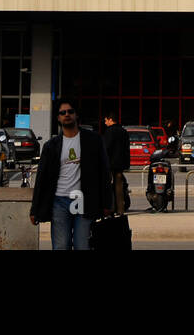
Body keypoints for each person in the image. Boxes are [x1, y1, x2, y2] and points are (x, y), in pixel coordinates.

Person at [30, 98, 114, 250]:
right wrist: (35, 209)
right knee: (61, 246)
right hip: (59, 202)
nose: (67, 115)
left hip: (84, 201)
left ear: (76, 115)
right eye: (62, 112)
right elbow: (41, 179)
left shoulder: (93, 140)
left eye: (70, 111)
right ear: (58, 118)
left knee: (83, 246)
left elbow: (104, 172)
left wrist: (107, 203)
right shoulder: (51, 146)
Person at [101, 111, 131, 217]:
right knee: (119, 187)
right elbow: (127, 149)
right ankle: (121, 209)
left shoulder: (109, 132)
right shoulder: (124, 131)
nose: (105, 123)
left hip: (110, 164)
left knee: (108, 186)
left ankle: (110, 208)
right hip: (120, 164)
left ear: (110, 120)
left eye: (105, 120)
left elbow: (106, 148)